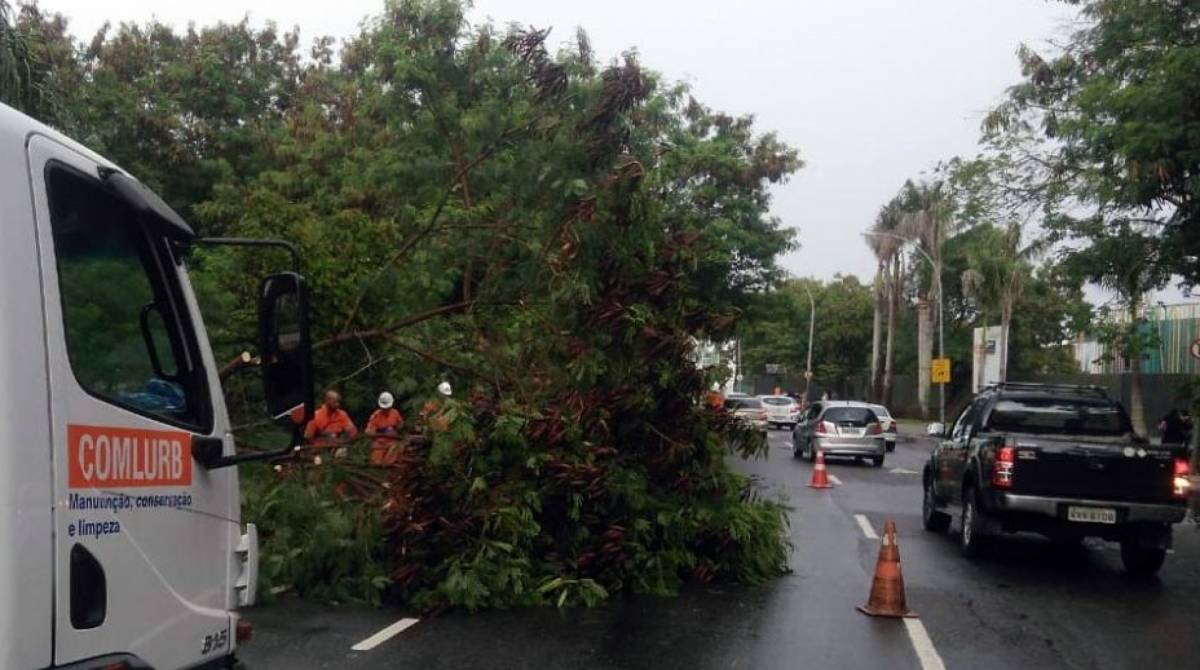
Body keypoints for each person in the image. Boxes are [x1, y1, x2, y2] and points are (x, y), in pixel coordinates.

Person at [366, 391, 405, 466]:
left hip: (392, 442)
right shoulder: (375, 416)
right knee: (376, 464)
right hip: (379, 443)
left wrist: (398, 427)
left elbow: (400, 424)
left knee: (395, 453)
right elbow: (368, 431)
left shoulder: (395, 413)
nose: (386, 409)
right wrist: (378, 432)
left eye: (387, 408)